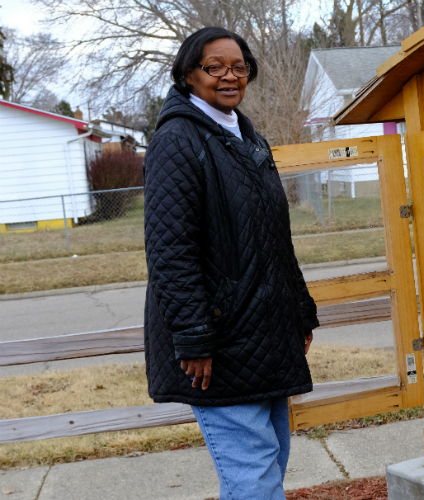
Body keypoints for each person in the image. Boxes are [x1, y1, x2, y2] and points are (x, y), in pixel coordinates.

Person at [142, 27, 318, 500]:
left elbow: (274, 239)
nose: (229, 76)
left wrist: (299, 310)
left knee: (268, 465)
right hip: (218, 342)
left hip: (264, 333)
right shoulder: (177, 141)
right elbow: (170, 251)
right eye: (214, 67)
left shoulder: (246, 136)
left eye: (239, 67)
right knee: (254, 480)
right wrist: (194, 336)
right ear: (188, 75)